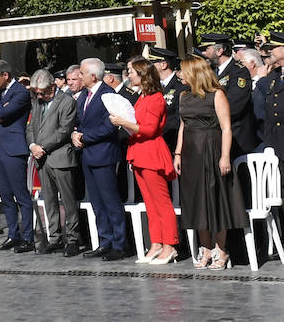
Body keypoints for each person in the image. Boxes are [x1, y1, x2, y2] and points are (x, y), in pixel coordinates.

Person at [176, 54, 249, 270]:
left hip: (211, 149)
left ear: (194, 73)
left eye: (183, 70)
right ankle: (205, 248)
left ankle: (221, 249)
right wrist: (178, 153)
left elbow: (226, 128)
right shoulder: (183, 96)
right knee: (197, 201)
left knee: (216, 200)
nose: (180, 74)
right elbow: (183, 125)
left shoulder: (216, 95)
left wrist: (225, 156)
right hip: (191, 153)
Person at [108, 58, 178, 264]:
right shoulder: (142, 97)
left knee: (161, 201)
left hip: (151, 151)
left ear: (142, 75)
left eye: (131, 72)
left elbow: (150, 129)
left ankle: (170, 244)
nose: (128, 76)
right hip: (139, 150)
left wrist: (123, 122)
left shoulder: (156, 98)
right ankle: (156, 242)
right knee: (149, 201)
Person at [72, 58, 128, 260]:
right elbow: (78, 121)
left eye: (82, 73)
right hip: (88, 155)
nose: (79, 76)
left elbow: (109, 126)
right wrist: (75, 133)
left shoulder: (108, 95)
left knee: (110, 201)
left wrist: (85, 137)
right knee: (97, 203)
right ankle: (105, 241)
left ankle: (119, 244)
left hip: (103, 154)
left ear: (93, 76)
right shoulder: (84, 96)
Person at [26, 69, 82, 256]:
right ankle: (55, 238)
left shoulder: (66, 101)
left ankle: (73, 239)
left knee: (68, 201)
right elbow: (31, 127)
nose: (39, 95)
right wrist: (33, 145)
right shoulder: (37, 103)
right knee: (49, 201)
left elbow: (64, 130)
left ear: (52, 85)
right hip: (42, 159)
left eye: (42, 92)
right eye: (36, 92)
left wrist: (43, 146)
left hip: (60, 157)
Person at [0, 59, 34, 252]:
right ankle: (12, 235)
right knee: (5, 196)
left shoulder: (20, 93)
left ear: (5, 76)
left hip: (14, 149)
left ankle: (28, 237)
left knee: (21, 195)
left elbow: (5, 114)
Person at [200, 33, 256, 156]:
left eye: (206, 49)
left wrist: (208, 117)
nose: (204, 53)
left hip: (238, 138)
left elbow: (236, 104)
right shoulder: (213, 72)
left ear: (219, 51)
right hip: (219, 135)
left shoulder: (239, 71)